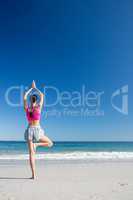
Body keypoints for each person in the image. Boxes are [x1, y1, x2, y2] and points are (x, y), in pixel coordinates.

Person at [24, 80, 53, 179]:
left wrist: (30, 89)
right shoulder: (38, 107)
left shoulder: (27, 109)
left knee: (31, 154)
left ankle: (33, 175)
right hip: (37, 130)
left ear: (30, 100)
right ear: (35, 100)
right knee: (50, 143)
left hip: (29, 130)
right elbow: (42, 95)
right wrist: (35, 88)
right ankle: (37, 144)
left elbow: (24, 96)